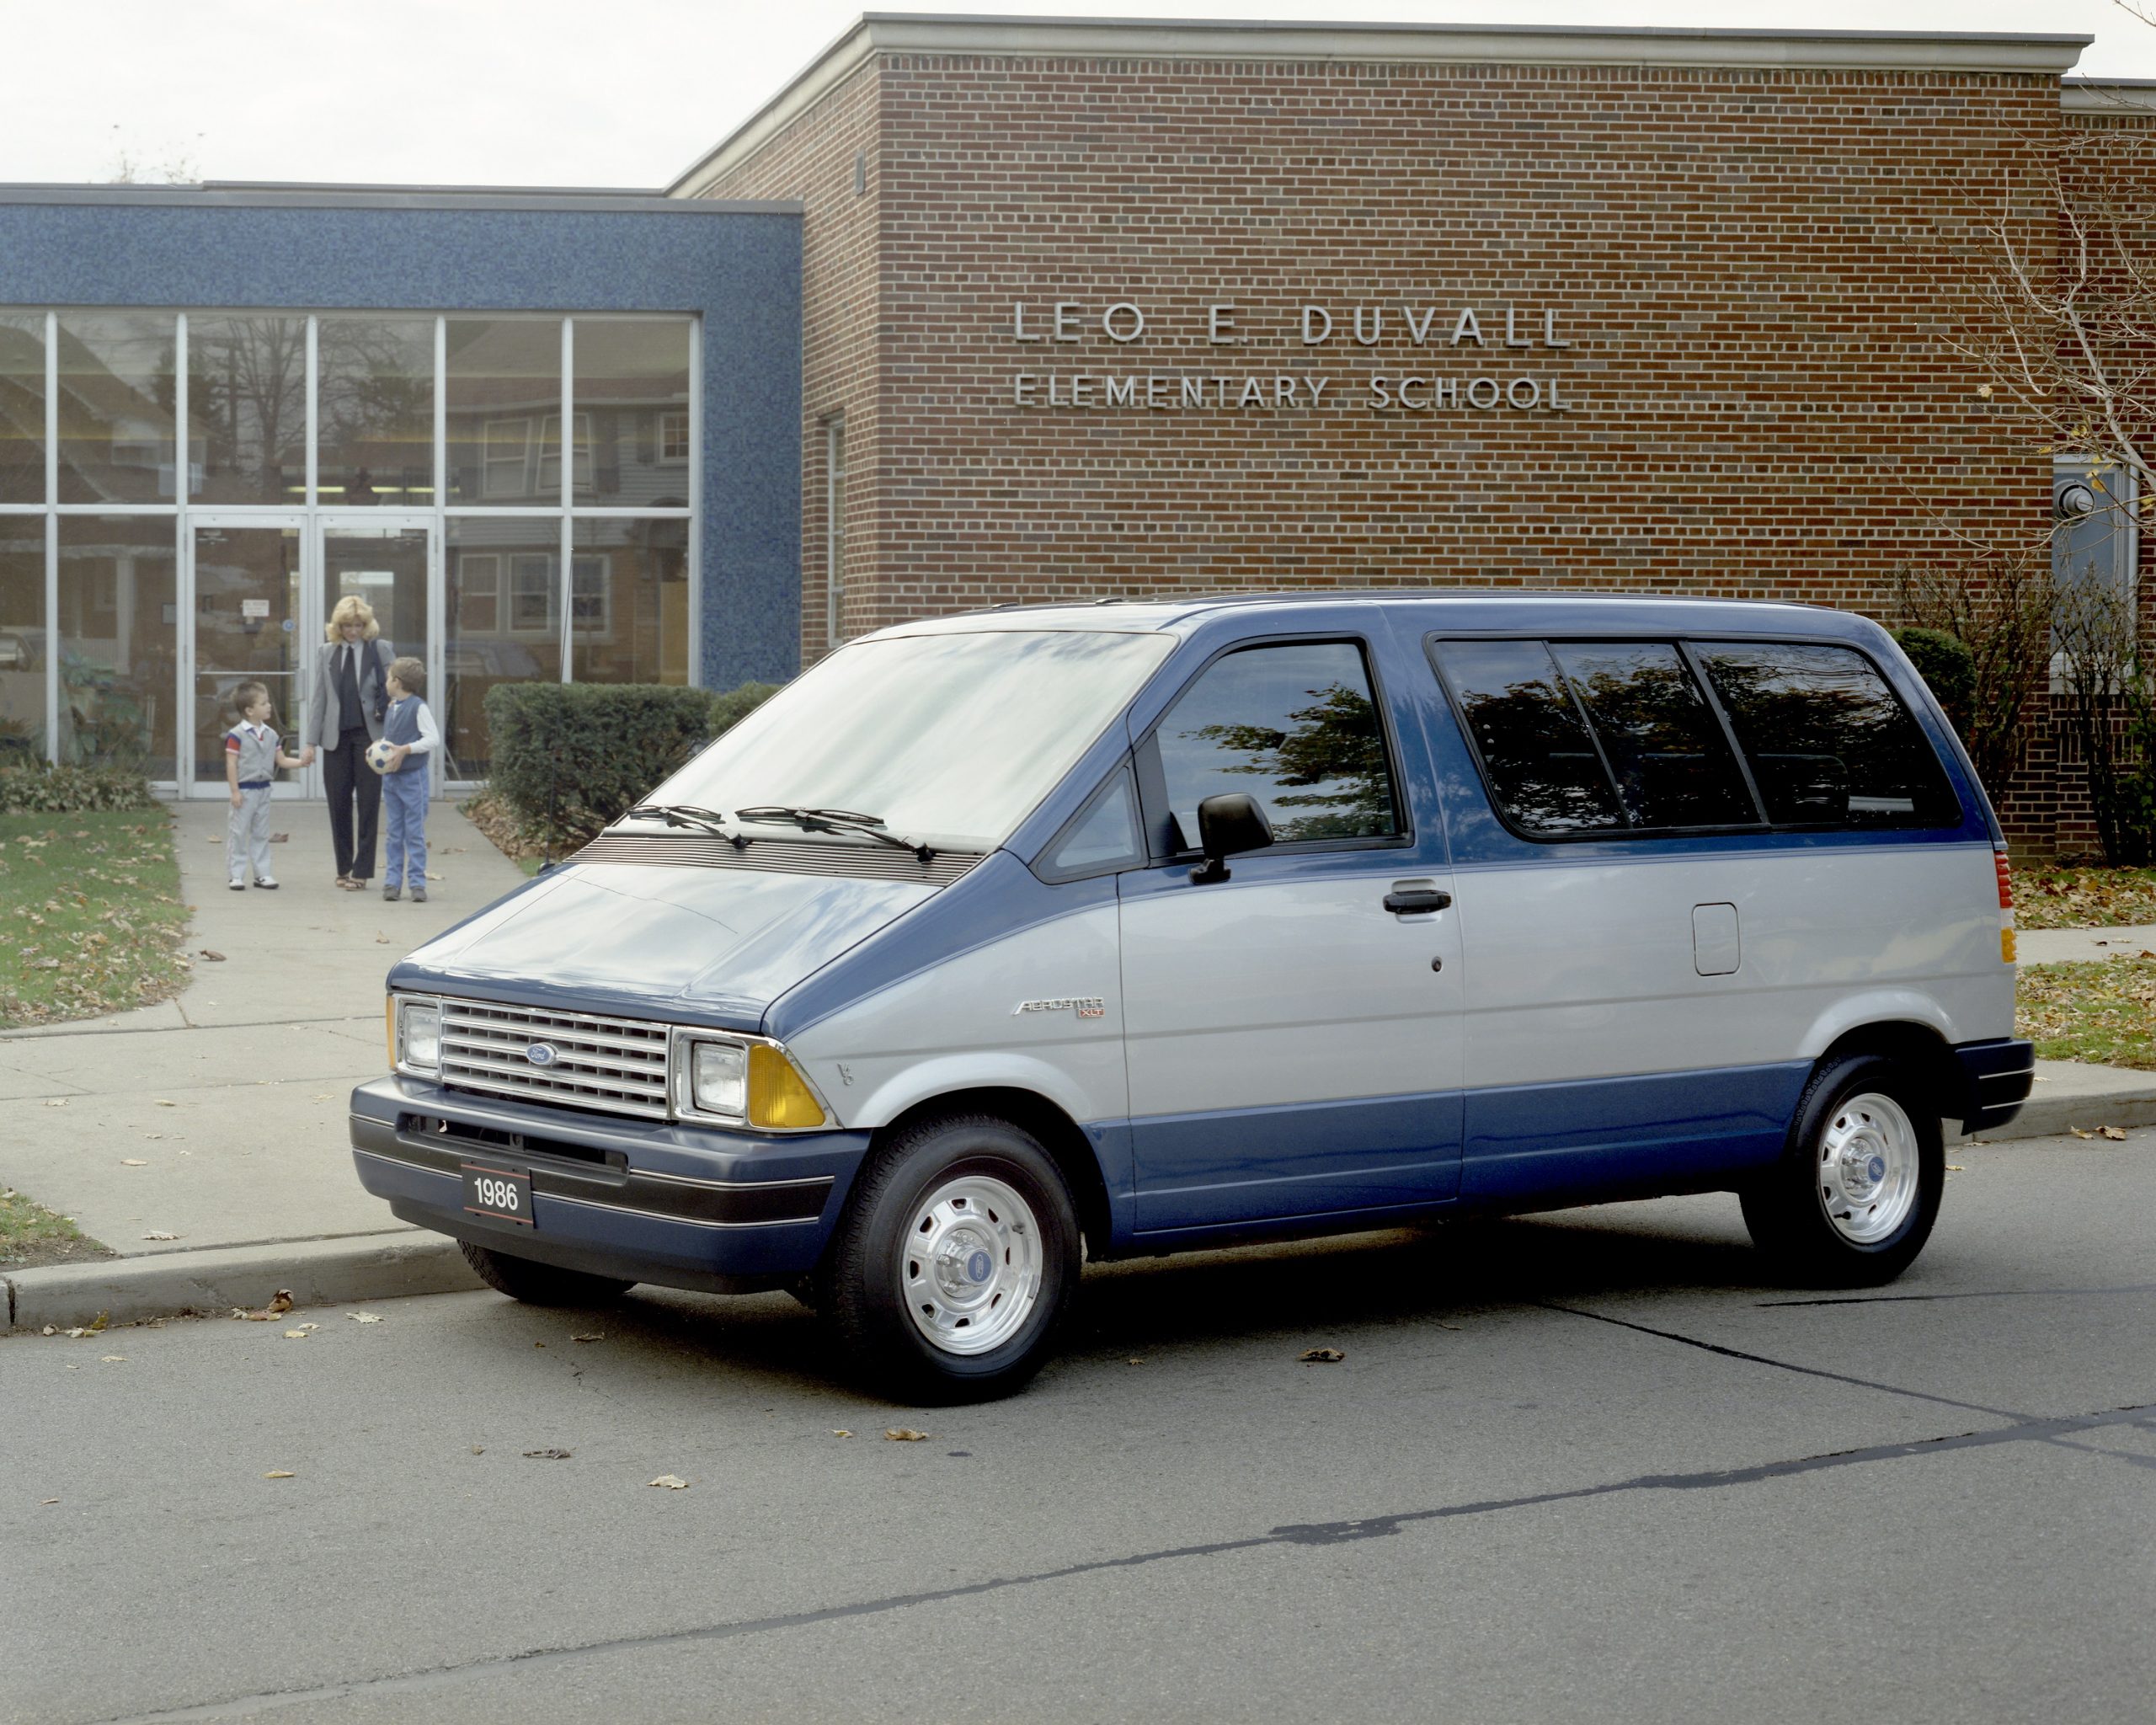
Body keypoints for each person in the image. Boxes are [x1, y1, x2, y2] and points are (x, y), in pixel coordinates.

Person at [298, 596, 392, 890]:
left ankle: (362, 871)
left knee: (367, 805)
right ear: (337, 626)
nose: (353, 631)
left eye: (358, 625)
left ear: (366, 625)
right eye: (347, 625)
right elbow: (319, 699)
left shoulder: (380, 648)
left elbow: (395, 690)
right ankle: (343, 867)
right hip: (335, 738)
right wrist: (311, 742)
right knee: (338, 804)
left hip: (370, 738)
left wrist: (395, 736)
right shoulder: (327, 652)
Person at [223, 681, 302, 891]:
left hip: (263, 789)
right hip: (245, 790)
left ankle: (262, 874)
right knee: (238, 832)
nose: (269, 706)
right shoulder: (236, 735)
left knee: (260, 832)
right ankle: (236, 874)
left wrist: (302, 762)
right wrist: (235, 791)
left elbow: (282, 760)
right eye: (264, 703)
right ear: (249, 710)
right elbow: (231, 763)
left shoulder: (272, 734)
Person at [376, 655, 439, 903]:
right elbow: (391, 741)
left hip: (414, 779)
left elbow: (432, 739)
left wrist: (405, 750)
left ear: (398, 682)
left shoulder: (418, 707)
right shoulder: (393, 707)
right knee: (394, 832)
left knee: (414, 832)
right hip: (392, 779)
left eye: (389, 678)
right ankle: (392, 882)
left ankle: (417, 883)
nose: (386, 682)